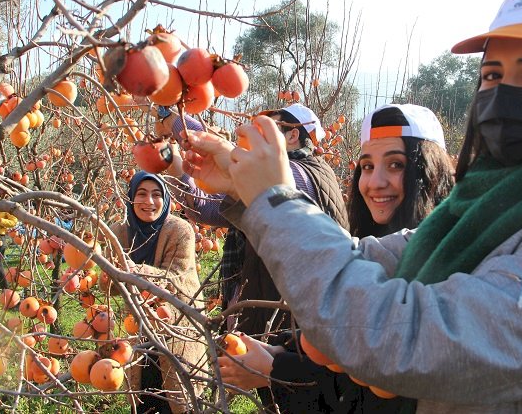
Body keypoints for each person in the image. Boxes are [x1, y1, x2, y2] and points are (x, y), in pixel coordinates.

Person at [182, 0, 522, 413]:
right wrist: (245, 190)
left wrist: (276, 199)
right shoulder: (488, 219)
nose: (504, 92)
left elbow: (396, 336)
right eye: (492, 76)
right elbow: (366, 259)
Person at [217, 104, 455, 413]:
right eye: (367, 166)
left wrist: (277, 368)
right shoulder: (374, 243)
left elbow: (377, 377)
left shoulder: (440, 261)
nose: (375, 182)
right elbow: (337, 332)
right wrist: (281, 352)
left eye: (396, 165)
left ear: (430, 171)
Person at [162, 103, 348, 337]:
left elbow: (262, 183)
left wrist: (171, 116)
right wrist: (172, 162)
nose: (259, 136)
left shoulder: (308, 175)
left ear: (293, 136)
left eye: (271, 128)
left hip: (285, 328)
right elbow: (205, 208)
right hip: (256, 311)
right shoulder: (271, 180)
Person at [105, 171, 205, 414]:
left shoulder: (180, 230)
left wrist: (133, 270)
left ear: (166, 199)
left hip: (178, 329)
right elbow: (107, 285)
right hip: (137, 332)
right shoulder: (119, 233)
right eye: (141, 194)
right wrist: (109, 272)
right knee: (143, 399)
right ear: (130, 198)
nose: (149, 201)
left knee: (180, 399)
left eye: (156, 195)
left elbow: (175, 280)